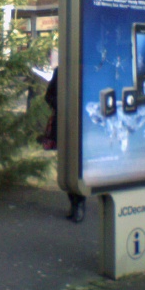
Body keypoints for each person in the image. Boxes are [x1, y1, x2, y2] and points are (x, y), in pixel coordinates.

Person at [45, 67, 86, 223]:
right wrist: (63, 105)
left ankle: (80, 203)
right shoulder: (61, 71)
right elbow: (48, 96)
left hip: (82, 126)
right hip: (63, 125)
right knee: (66, 165)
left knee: (78, 165)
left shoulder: (87, 70)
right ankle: (73, 202)